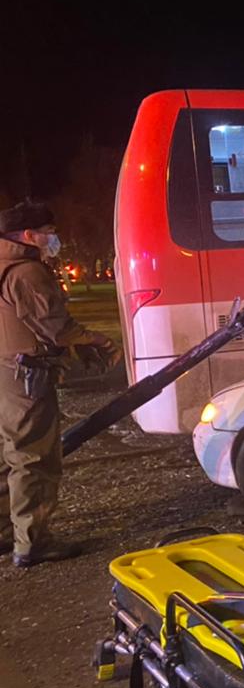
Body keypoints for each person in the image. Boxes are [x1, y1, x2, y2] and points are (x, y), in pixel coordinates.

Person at [0, 201, 121, 568]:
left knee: (9, 455)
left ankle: (8, 533)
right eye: (49, 232)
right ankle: (33, 543)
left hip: (5, 370)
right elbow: (56, 327)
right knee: (33, 456)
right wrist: (96, 341)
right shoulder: (27, 272)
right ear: (28, 235)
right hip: (25, 376)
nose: (54, 238)